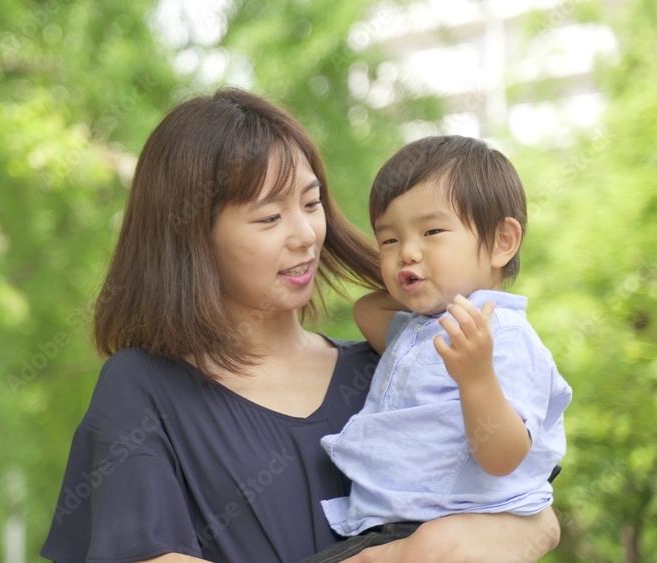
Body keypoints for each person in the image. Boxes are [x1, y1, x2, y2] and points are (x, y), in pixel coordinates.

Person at [41, 90, 560, 563]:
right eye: (269, 218)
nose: (307, 235)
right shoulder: (145, 388)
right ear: (190, 239)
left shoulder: (393, 367)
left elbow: (530, 512)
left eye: (312, 204)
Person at [303, 135, 573, 562]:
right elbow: (367, 308)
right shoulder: (421, 329)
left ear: (503, 241)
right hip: (392, 530)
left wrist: (477, 378)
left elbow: (504, 457)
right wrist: (424, 286)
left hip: (450, 528)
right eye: (389, 240)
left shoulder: (502, 337)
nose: (407, 252)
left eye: (432, 231)